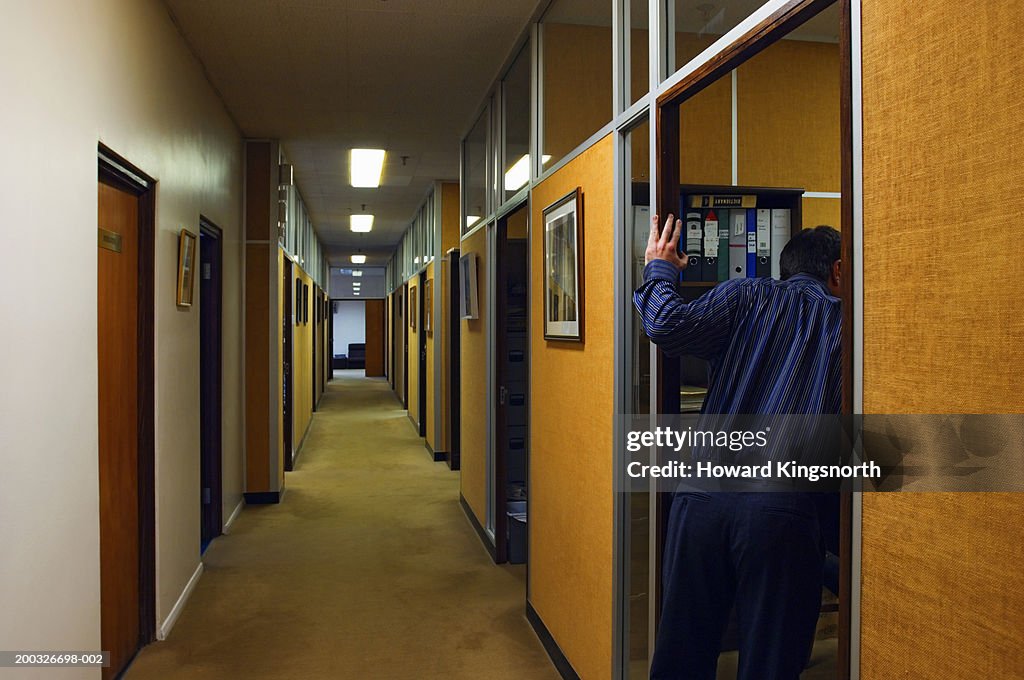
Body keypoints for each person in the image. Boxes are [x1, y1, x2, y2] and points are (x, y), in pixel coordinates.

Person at [633, 214, 843, 680]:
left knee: (682, 651)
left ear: (787, 267)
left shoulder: (746, 294)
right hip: (781, 510)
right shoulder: (847, 326)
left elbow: (665, 325)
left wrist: (660, 267)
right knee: (771, 659)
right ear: (838, 271)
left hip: (700, 499)